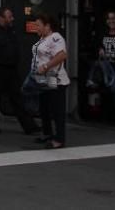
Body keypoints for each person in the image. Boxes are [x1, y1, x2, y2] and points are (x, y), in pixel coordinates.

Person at [0, 6, 38, 135]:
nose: (12, 18)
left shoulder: (11, 29)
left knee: (18, 98)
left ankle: (29, 126)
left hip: (11, 68)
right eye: (9, 16)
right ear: (1, 18)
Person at [32, 13, 69, 149]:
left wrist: (46, 66)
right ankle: (47, 132)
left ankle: (59, 139)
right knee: (44, 108)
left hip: (55, 78)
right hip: (42, 78)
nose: (36, 27)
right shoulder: (42, 39)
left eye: (38, 25)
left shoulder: (55, 37)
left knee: (56, 110)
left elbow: (62, 55)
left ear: (47, 26)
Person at [88, 11, 115, 127]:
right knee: (107, 89)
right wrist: (100, 49)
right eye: (109, 19)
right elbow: (98, 45)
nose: (112, 21)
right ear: (106, 21)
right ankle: (109, 116)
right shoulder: (104, 33)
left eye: (114, 18)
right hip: (107, 66)